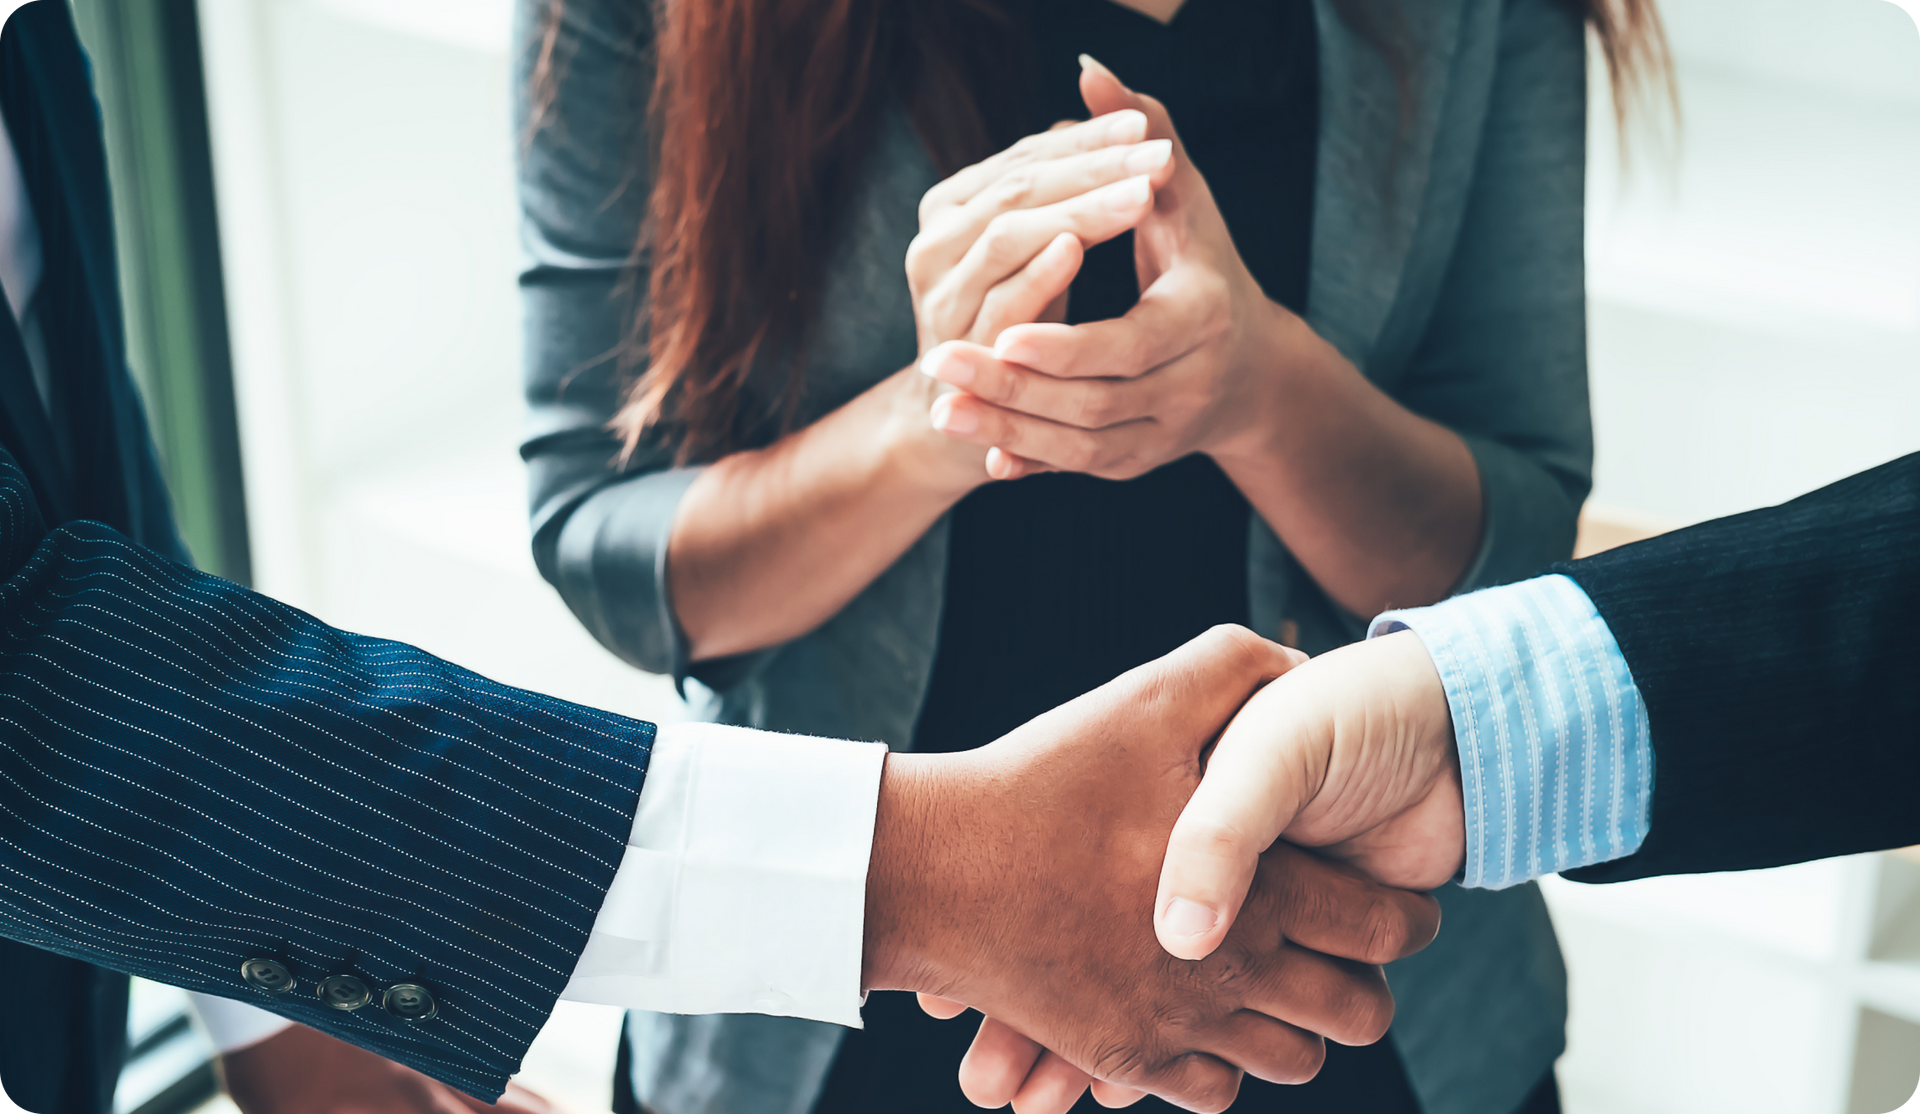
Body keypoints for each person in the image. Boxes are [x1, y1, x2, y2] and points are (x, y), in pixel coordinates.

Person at [0, 3, 1441, 1113]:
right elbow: (38, 665)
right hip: (814, 1035)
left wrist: (1261, 387)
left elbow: (74, 494)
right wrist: (941, 870)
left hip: (1373, 983)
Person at [517, 0, 1666, 1111]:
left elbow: (1513, 558)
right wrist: (943, 413)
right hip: (844, 1004)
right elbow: (610, 549)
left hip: (1352, 991)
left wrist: (1263, 389)